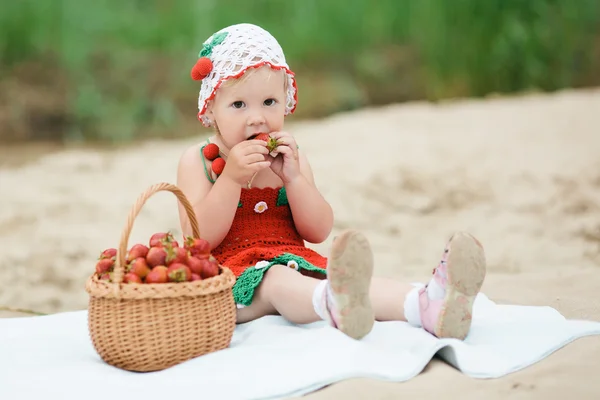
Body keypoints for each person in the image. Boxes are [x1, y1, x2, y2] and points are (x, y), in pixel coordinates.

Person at [176, 23, 486, 340]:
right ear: (211, 109)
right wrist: (230, 180)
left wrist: (294, 179)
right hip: (231, 280)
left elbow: (317, 229)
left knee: (349, 280)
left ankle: (424, 305)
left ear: (285, 101)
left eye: (269, 102)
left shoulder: (289, 158)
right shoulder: (200, 161)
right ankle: (332, 304)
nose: (257, 117)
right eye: (239, 105)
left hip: (295, 263)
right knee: (275, 279)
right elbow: (197, 240)